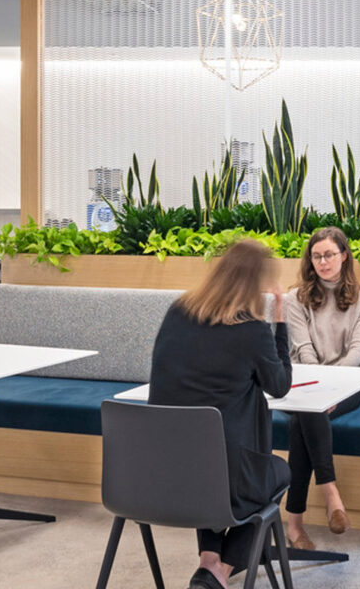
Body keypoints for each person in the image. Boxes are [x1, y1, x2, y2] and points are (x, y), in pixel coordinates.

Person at [149, 239, 292, 589]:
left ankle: (208, 560)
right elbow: (279, 384)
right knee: (277, 474)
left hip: (158, 475)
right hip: (221, 477)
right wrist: (280, 319)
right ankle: (221, 570)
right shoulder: (250, 329)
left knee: (203, 452)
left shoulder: (177, 311)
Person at [282, 227, 360, 550]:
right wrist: (321, 389)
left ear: (344, 255)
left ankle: (294, 525)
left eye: (329, 255)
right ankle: (331, 492)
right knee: (309, 410)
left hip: (347, 386)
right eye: (317, 256)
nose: (323, 262)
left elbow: (358, 352)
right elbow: (303, 351)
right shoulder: (296, 298)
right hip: (303, 383)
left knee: (301, 421)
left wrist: (333, 389)